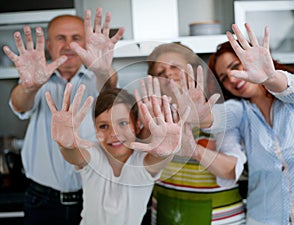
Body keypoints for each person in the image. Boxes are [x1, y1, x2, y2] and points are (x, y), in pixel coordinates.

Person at [2, 7, 124, 225]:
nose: (68, 45)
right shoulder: (36, 79)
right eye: (61, 38)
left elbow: (110, 89)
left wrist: (103, 69)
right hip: (42, 201)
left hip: (93, 196)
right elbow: (19, 105)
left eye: (76, 38)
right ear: (49, 45)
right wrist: (30, 87)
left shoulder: (98, 78)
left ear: (87, 43)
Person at [45, 83, 189, 225]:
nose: (114, 133)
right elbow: (75, 156)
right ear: (95, 129)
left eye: (123, 123)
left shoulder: (141, 161)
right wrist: (66, 146)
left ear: (137, 124)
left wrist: (166, 152)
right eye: (104, 126)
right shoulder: (94, 152)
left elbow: (158, 159)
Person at [206, 23, 294, 224]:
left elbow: (291, 90)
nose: (232, 77)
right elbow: (216, 119)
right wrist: (199, 115)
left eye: (235, 67)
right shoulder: (241, 111)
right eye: (224, 77)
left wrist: (270, 77)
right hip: (264, 218)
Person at [145, 43, 246, 225]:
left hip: (219, 218)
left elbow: (232, 170)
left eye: (175, 67)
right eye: (160, 72)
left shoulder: (218, 114)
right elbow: (143, 169)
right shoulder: (151, 119)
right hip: (167, 213)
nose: (168, 73)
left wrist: (195, 151)